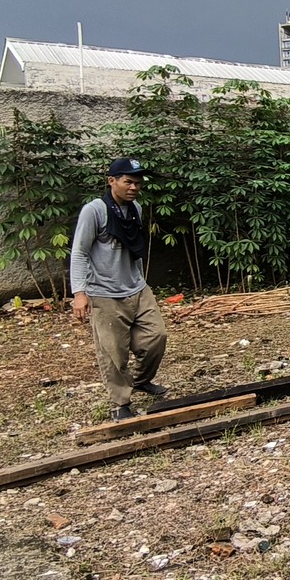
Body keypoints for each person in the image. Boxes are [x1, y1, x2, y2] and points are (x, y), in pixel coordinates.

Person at [70, 157, 168, 421]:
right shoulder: (95, 210)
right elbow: (79, 252)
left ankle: (141, 380)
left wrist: (141, 280)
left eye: (138, 182)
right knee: (114, 352)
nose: (134, 187)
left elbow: (134, 248)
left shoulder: (135, 208)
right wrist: (79, 293)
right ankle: (120, 404)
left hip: (136, 287)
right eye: (128, 182)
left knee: (156, 337)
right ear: (111, 181)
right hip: (104, 292)